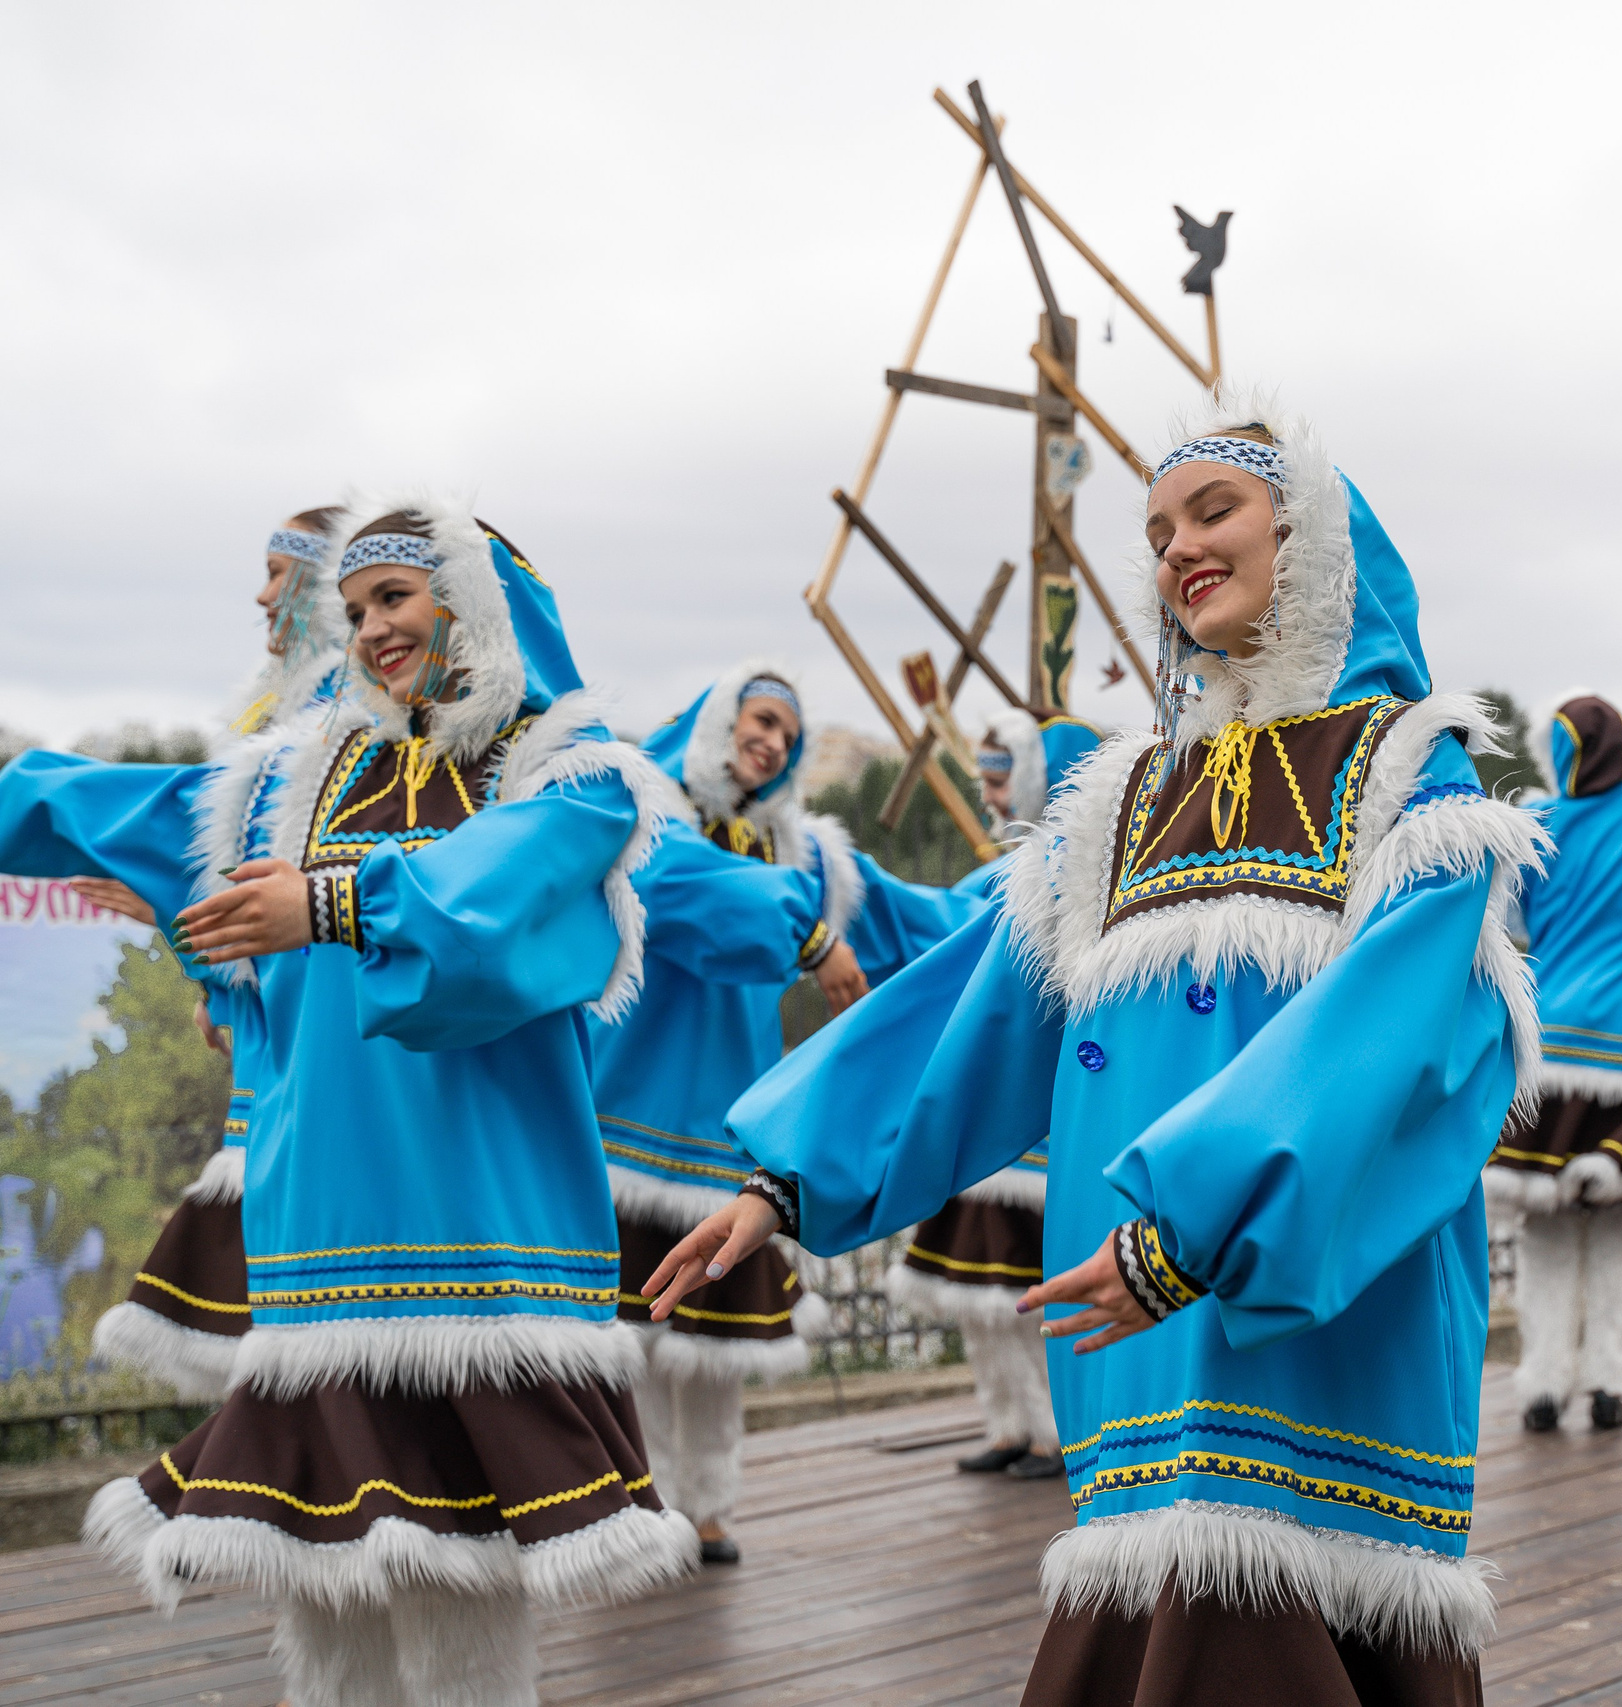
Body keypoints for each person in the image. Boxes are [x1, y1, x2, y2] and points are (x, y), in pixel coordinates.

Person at [648, 397, 1546, 1703]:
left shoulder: (1414, 786)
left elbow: (1398, 1050)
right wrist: (783, 1177)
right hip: (1136, 1333)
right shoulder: (1119, 805)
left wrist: (1195, 1232)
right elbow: (975, 1007)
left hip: (1321, 1322)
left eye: (1213, 510)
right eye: (1158, 526)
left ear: (1312, 537)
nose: (1178, 545)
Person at [0, 494, 696, 1706]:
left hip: (481, 1245)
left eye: (395, 597)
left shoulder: (568, 776)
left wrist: (328, 904)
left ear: (473, 602)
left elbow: (502, 899)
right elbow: (137, 808)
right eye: (355, 607)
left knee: (463, 1592)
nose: (370, 628)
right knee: (323, 1592)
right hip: (318, 1239)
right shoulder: (289, 776)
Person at [592, 658, 980, 1562]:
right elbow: (682, 890)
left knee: (714, 1341)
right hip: (629, 1109)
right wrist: (809, 935)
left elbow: (906, 918)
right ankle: (642, 1504)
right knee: (633, 1332)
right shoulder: (645, 817)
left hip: (727, 1116)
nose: (769, 739)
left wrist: (1021, 900)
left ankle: (711, 1504)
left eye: (786, 732)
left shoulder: (804, 852)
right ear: (714, 721)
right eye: (756, 719)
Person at [60, 507, 352, 1402]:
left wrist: (170, 905)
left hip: (331, 1038)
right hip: (281, 1031)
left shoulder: (338, 706)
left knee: (316, 1308)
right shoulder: (290, 706)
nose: (263, 595)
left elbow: (289, 878)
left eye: (281, 573)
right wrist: (216, 981)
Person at [890, 707, 1101, 1481]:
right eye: (983, 780)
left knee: (1040, 1279)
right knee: (988, 1286)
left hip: (1047, 1109)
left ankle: (1060, 1432)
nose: (987, 794)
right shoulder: (999, 870)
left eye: (999, 778)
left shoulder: (1075, 872)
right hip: (994, 1103)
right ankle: (1012, 1422)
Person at [1486, 691, 1622, 1434]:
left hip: (1549, 1049)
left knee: (1544, 1228)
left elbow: (1512, 921)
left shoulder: (1541, 820)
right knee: (1621, 1229)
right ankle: (1612, 1380)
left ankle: (1542, 1385)